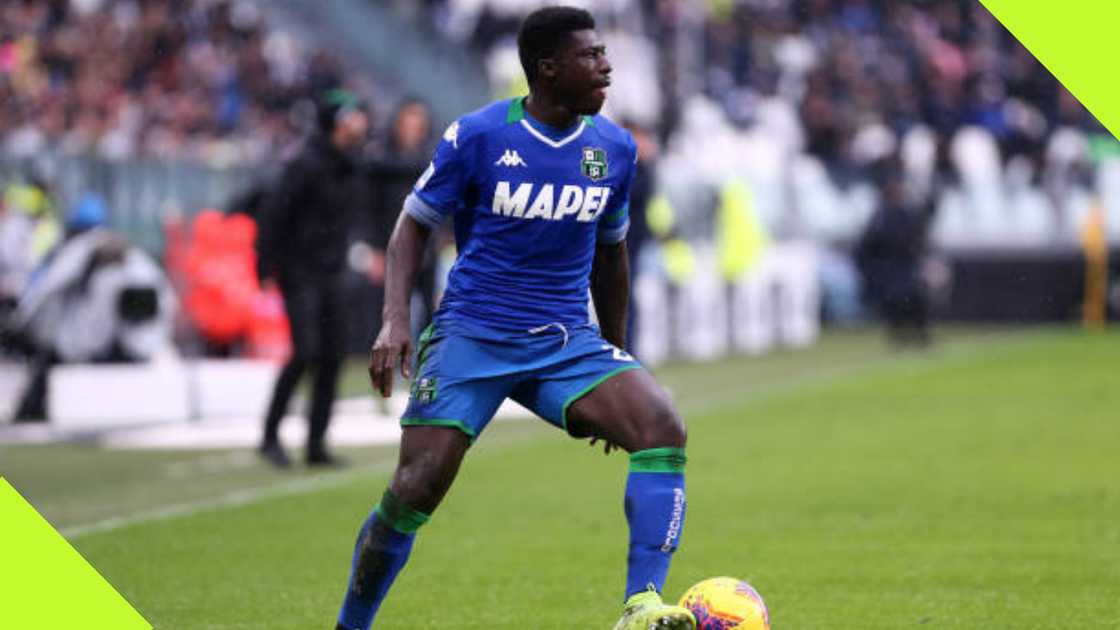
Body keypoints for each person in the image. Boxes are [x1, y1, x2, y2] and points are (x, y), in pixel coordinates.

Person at [334, 8, 694, 630]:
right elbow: (411, 225)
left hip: (563, 342)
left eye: (605, 54)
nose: (606, 66)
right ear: (548, 69)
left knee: (661, 426)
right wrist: (394, 321)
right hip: (472, 335)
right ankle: (351, 626)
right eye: (591, 56)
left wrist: (616, 357)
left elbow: (612, 257)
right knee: (416, 488)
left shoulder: (614, 149)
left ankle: (641, 606)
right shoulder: (478, 135)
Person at [255, 89, 370, 468]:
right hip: (299, 272)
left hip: (331, 272)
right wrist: (265, 266)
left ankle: (316, 444)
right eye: (353, 116)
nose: (361, 122)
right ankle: (270, 436)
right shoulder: (304, 164)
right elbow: (275, 214)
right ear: (336, 122)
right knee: (305, 352)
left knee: (333, 356)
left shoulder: (350, 164)